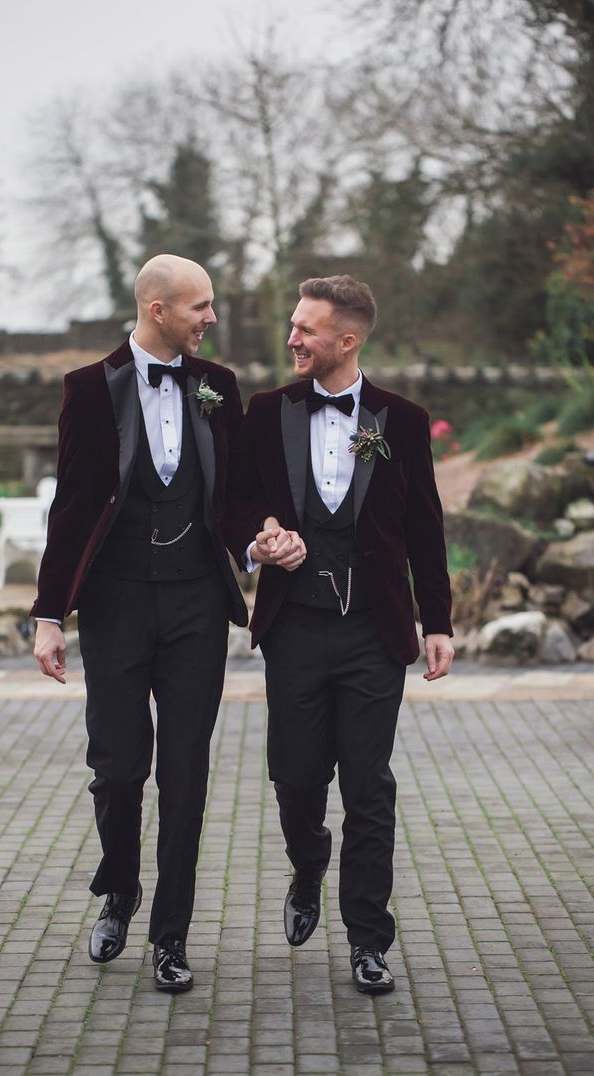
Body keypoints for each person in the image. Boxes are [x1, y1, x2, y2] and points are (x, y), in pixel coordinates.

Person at [226, 275, 453, 994]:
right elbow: (236, 499)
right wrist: (261, 536)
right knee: (295, 777)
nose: (292, 338)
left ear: (347, 341)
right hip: (293, 626)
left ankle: (367, 940)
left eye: (307, 329)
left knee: (368, 788)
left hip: (373, 633)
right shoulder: (266, 411)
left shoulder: (401, 421)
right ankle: (307, 861)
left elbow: (425, 526)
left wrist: (439, 619)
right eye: (293, 325)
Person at [32, 254, 247, 993]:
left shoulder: (219, 387)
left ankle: (170, 936)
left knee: (186, 776)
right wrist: (48, 614)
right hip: (117, 603)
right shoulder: (88, 389)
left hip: (196, 604)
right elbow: (73, 505)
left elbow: (240, 495)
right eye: (200, 307)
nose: (209, 318)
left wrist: (264, 540)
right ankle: (118, 886)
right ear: (158, 309)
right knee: (119, 771)